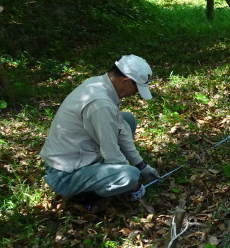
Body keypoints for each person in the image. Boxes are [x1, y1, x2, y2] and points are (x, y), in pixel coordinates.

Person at [40, 54, 160, 206]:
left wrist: (141, 165)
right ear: (126, 81)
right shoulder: (101, 104)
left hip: (78, 156)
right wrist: (133, 183)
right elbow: (111, 153)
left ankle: (99, 176)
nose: (135, 94)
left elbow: (121, 130)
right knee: (129, 176)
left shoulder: (99, 83)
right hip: (65, 175)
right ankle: (86, 195)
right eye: (136, 88)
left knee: (127, 119)